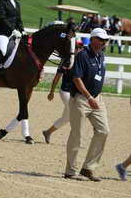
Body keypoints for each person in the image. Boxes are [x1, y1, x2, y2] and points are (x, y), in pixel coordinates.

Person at [65, 28, 110, 182]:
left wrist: (95, 97)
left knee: (103, 130)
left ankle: (88, 168)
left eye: (105, 40)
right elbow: (77, 79)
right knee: (77, 135)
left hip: (97, 99)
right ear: (92, 39)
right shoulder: (82, 55)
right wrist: (89, 97)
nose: (103, 42)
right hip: (81, 99)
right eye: (100, 39)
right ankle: (70, 171)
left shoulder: (102, 56)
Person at [42, 40, 83, 143]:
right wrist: (51, 91)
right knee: (76, 113)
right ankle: (77, 140)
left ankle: (48, 132)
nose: (79, 49)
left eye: (80, 47)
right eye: (77, 47)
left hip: (75, 93)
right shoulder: (66, 61)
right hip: (66, 92)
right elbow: (57, 77)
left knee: (66, 118)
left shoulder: (82, 60)